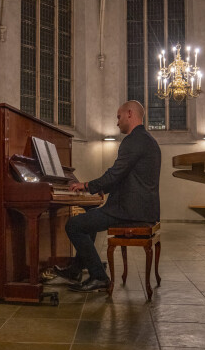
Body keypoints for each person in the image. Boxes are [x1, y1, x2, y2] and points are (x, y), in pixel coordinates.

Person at [54, 100, 161, 292]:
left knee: (74, 225)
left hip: (129, 211)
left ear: (130, 114)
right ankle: (76, 270)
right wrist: (104, 188)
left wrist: (86, 185)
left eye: (119, 117)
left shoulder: (133, 140)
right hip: (143, 209)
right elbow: (130, 177)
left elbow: (115, 173)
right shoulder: (148, 140)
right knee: (88, 220)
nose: (117, 122)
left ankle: (98, 276)